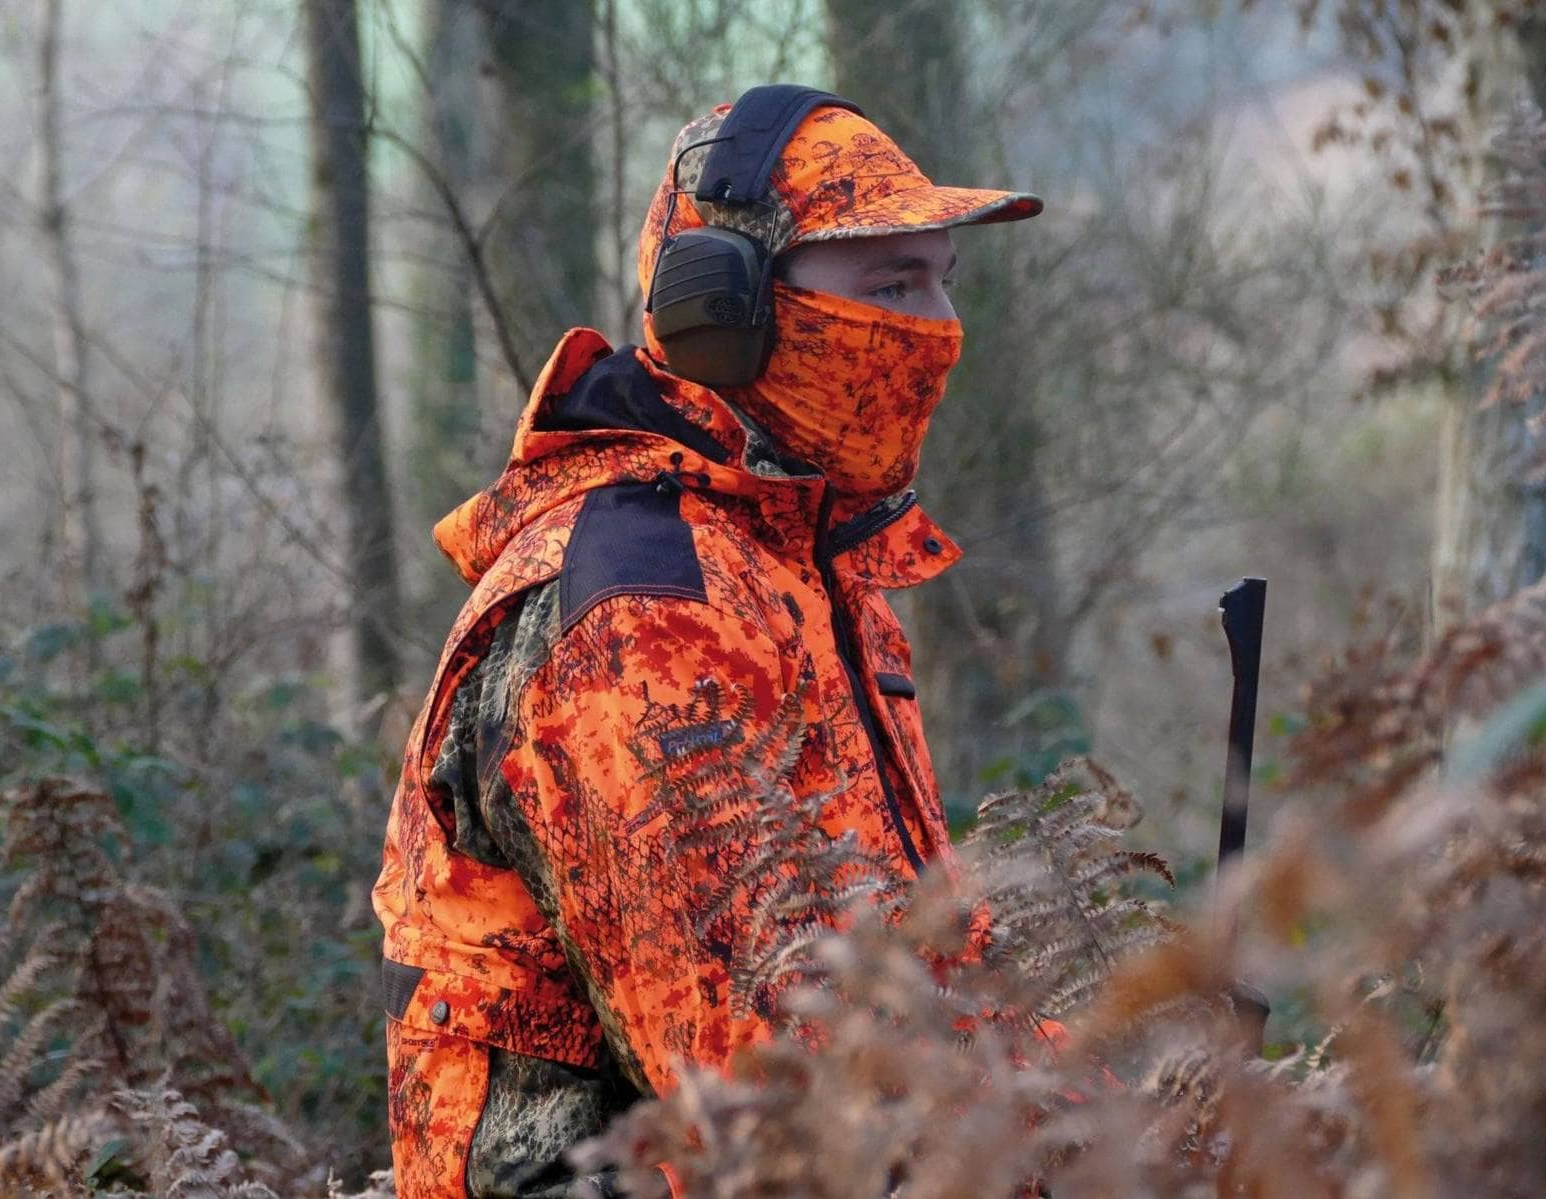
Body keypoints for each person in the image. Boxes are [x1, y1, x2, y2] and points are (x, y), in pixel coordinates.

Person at [373, 85, 1043, 1197]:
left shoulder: (810, 569)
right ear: (719, 309)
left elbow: (920, 974)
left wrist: (1116, 1096)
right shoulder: (639, 613)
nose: (934, 326)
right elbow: (754, 1090)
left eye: (941, 279)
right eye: (888, 283)